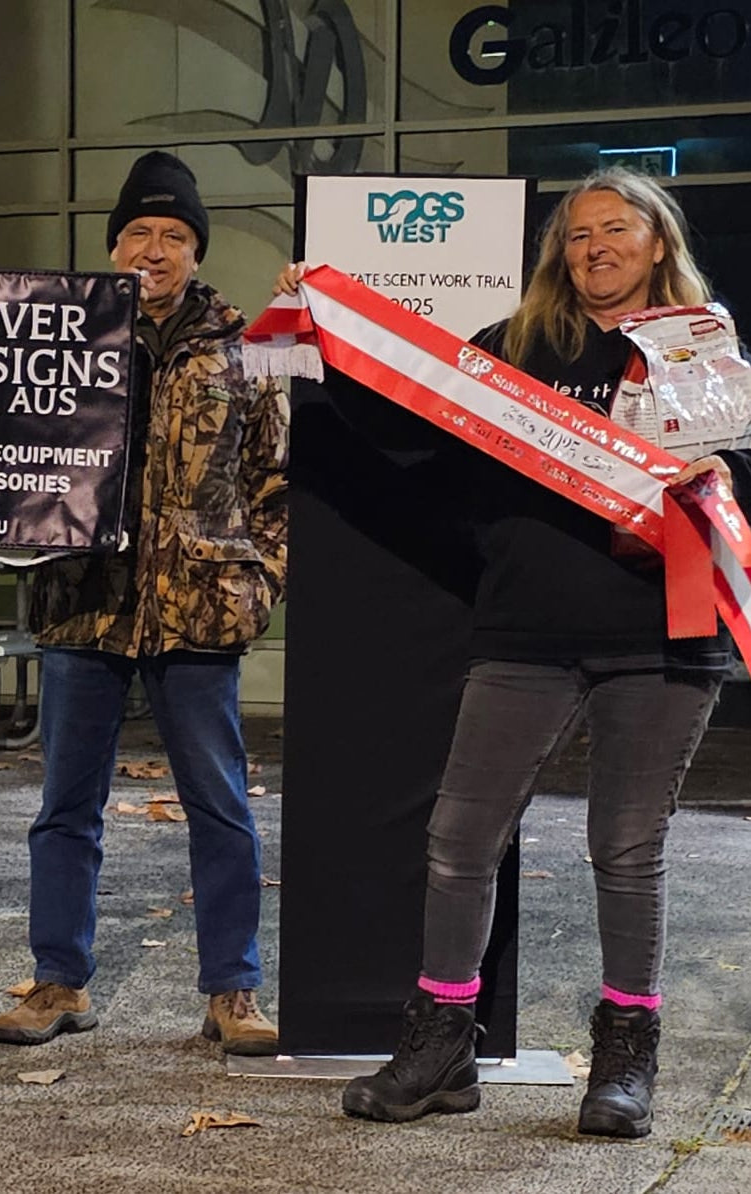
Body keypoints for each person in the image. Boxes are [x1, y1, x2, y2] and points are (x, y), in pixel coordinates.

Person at [277, 167, 745, 1136]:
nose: (594, 248)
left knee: (626, 847)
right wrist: (327, 332)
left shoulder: (703, 347)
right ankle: (441, 1049)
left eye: (616, 230)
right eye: (577, 235)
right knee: (457, 841)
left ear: (658, 242)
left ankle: (623, 1062)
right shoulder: (513, 347)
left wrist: (721, 474)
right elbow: (413, 429)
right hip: (525, 630)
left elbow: (742, 471)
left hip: (663, 632)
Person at [0, 151, 289, 1055]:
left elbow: (279, 479)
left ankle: (232, 990)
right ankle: (58, 980)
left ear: (196, 251)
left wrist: (260, 574)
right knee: (65, 806)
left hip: (198, 608)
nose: (153, 249)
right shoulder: (59, 340)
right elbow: (6, 459)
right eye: (137, 234)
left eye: (173, 235)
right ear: (113, 246)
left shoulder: (250, 348)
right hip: (84, 602)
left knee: (221, 804)